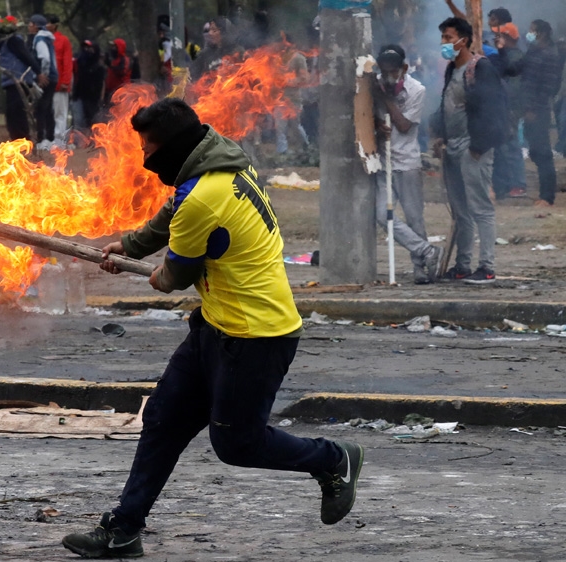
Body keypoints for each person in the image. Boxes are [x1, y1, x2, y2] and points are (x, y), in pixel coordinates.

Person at [60, 98, 364, 558]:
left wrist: (148, 270)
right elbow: (172, 214)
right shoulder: (216, 161)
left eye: (151, 149)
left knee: (237, 444)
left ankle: (333, 458)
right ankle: (123, 529)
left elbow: (172, 277)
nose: (145, 159)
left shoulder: (206, 198)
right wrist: (130, 247)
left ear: (176, 148)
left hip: (255, 336)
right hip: (214, 325)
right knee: (163, 420)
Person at [433, 17, 507, 284]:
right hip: (452, 147)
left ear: (463, 41)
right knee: (460, 209)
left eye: (448, 38)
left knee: (480, 208)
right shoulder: (452, 69)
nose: (444, 43)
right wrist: (440, 134)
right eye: (442, 37)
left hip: (473, 148)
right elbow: (448, 105)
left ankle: (486, 266)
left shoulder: (481, 68)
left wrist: (479, 146)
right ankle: (462, 264)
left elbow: (494, 110)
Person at [373, 45, 441, 284]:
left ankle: (421, 268)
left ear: (403, 68)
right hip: (383, 162)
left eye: (392, 71)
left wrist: (386, 99)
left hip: (407, 162)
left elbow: (403, 125)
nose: (387, 76)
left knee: (414, 217)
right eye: (383, 71)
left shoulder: (416, 90)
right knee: (382, 215)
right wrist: (377, 126)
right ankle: (426, 250)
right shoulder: (375, 86)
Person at [496, 20, 561, 207]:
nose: (529, 33)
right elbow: (514, 69)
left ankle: (547, 196)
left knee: (542, 152)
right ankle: (543, 193)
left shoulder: (550, 55)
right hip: (526, 108)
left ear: (540, 33)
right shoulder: (532, 52)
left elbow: (547, 87)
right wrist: (500, 51)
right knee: (534, 151)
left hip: (538, 110)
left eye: (532, 30)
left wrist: (533, 109)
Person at [489, 19, 528, 200]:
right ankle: (504, 185)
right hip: (503, 107)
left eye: (500, 36)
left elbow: (514, 86)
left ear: (507, 37)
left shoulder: (515, 57)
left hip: (510, 108)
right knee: (501, 147)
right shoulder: (505, 55)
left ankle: (518, 184)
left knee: (511, 146)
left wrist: (512, 108)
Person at [0, 15, 41, 141]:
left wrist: (39, 72)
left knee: (17, 112)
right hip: (11, 81)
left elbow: (27, 57)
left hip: (18, 80)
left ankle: (22, 140)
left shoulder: (14, 41)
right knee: (12, 113)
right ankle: (16, 139)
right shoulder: (4, 42)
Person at [29, 14, 57, 151]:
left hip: (47, 77)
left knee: (41, 108)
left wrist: (43, 75)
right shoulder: (48, 38)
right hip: (53, 76)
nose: (29, 26)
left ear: (35, 25)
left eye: (30, 23)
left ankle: (42, 138)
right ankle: (50, 138)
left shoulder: (39, 39)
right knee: (48, 107)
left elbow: (45, 58)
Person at [47, 14, 73, 146]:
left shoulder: (63, 40)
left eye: (48, 23)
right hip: (46, 84)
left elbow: (67, 62)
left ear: (54, 25)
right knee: (48, 114)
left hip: (59, 85)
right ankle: (48, 140)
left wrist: (65, 82)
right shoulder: (42, 40)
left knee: (60, 114)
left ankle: (59, 142)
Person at [71, 40, 105, 133]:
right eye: (85, 48)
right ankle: (78, 142)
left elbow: (101, 84)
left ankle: (93, 141)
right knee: (78, 120)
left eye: (90, 48)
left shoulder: (99, 68)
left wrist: (99, 98)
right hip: (79, 95)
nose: (87, 50)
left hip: (92, 99)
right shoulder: (79, 63)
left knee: (92, 121)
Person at [103, 38, 131, 106]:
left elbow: (122, 72)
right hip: (111, 91)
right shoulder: (114, 60)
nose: (112, 49)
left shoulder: (124, 59)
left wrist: (110, 65)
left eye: (114, 46)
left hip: (121, 92)